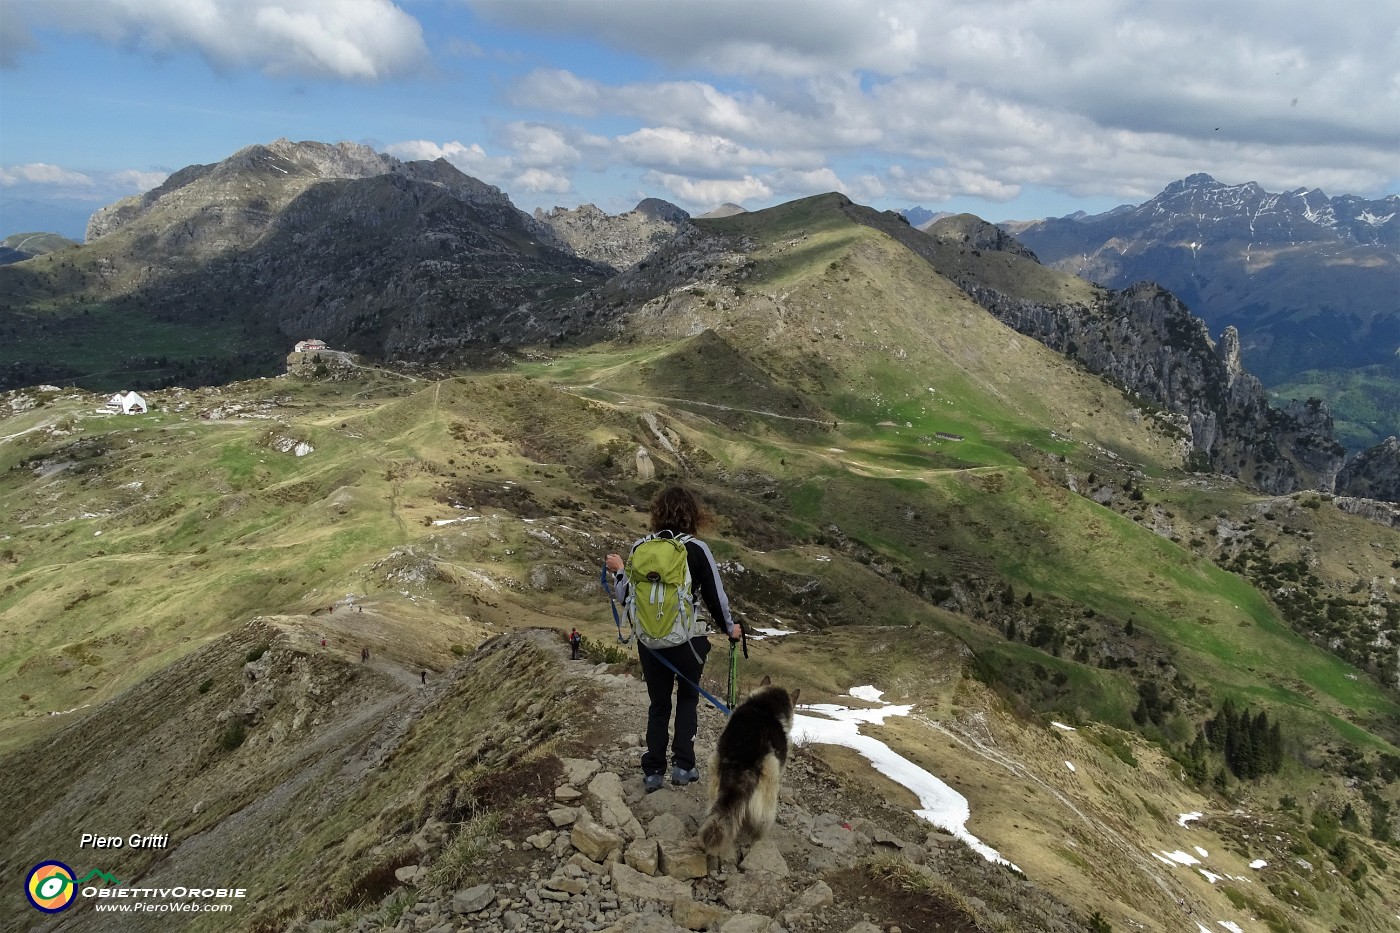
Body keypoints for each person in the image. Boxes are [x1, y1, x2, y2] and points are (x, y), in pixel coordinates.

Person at [606, 486, 742, 793]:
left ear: (656, 513)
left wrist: (617, 573)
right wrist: (729, 628)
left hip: (650, 644)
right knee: (688, 699)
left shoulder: (641, 547)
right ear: (692, 514)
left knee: (658, 704)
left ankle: (653, 771)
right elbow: (715, 597)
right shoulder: (696, 549)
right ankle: (683, 767)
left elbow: (628, 597)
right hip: (686, 642)